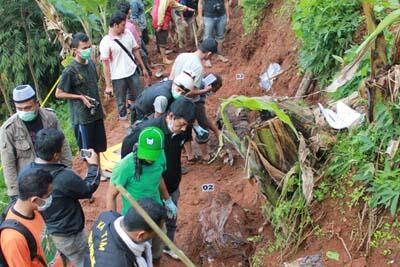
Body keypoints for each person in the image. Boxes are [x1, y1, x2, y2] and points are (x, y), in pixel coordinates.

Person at [121, 98, 196, 260]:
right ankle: (144, 255)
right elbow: (127, 149)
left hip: (171, 186)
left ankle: (168, 246)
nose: (183, 129)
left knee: (170, 220)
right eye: (180, 124)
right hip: (150, 191)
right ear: (170, 116)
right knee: (147, 225)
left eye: (186, 126)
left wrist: (168, 198)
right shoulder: (149, 131)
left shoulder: (183, 130)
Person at [18, 128, 101, 267]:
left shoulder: (25, 173)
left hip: (46, 231)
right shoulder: (64, 177)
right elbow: (88, 188)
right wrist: (93, 165)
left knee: (58, 260)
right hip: (69, 233)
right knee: (84, 260)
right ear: (56, 155)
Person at [107, 126, 174, 266]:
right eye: (146, 153)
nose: (149, 159)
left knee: (157, 250)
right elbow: (111, 195)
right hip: (136, 221)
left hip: (156, 215)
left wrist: (168, 200)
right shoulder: (125, 166)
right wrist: (111, 221)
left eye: (152, 155)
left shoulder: (161, 157)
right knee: (138, 256)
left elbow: (159, 177)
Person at [0, 84, 72, 201]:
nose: (24, 111)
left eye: (28, 107)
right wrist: (15, 193)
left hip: (53, 176)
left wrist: (68, 170)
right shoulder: (8, 129)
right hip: (30, 183)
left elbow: (63, 145)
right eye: (19, 108)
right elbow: (8, 163)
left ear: (37, 103)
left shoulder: (50, 118)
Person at [56, 32, 107, 162]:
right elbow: (59, 93)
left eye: (89, 47)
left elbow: (94, 87)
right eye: (84, 48)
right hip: (82, 117)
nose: (88, 50)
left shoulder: (90, 64)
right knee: (87, 150)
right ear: (75, 50)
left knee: (99, 147)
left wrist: (102, 108)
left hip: (96, 113)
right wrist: (80, 98)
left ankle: (98, 172)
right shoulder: (70, 71)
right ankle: (91, 174)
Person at [169, 38, 221, 162]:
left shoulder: (182, 56)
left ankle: (190, 156)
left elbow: (171, 77)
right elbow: (191, 92)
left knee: (184, 128)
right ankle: (205, 156)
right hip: (189, 102)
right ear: (209, 54)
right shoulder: (198, 67)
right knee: (201, 126)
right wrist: (205, 90)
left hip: (174, 96)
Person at [0, 169, 63, 267]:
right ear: (35, 200)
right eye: (48, 195)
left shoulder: (34, 210)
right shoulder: (13, 239)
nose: (51, 198)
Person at [85, 198, 167, 267]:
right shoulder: (121, 263)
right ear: (140, 235)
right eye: (156, 232)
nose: (160, 233)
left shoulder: (107, 216)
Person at [100, 11, 149, 120]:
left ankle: (141, 117)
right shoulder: (105, 42)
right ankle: (125, 121)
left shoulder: (127, 33)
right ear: (115, 25)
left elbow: (135, 51)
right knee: (121, 102)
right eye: (122, 25)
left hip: (132, 71)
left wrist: (143, 68)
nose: (124, 27)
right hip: (118, 77)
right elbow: (106, 66)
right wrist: (108, 85)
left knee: (139, 96)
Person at [131, 70, 196, 124]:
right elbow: (157, 120)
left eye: (183, 93)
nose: (179, 94)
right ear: (174, 83)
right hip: (142, 114)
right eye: (178, 90)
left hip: (143, 103)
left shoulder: (169, 82)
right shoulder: (163, 98)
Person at [118, 1, 153, 83]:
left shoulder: (125, 24)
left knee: (139, 66)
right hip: (136, 49)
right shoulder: (128, 26)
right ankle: (147, 83)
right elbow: (136, 41)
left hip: (132, 49)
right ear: (129, 11)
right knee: (143, 66)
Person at [151, 0, 194, 64]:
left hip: (160, 18)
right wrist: (160, 24)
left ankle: (162, 55)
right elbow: (161, 10)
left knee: (161, 38)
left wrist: (186, 8)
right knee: (162, 39)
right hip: (160, 19)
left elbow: (174, 4)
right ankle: (164, 59)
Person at [198, 0, 230, 66]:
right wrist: (200, 18)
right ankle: (206, 59)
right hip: (208, 17)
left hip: (221, 16)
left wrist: (228, 16)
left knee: (220, 36)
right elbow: (200, 3)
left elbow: (226, 2)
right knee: (207, 37)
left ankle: (220, 55)